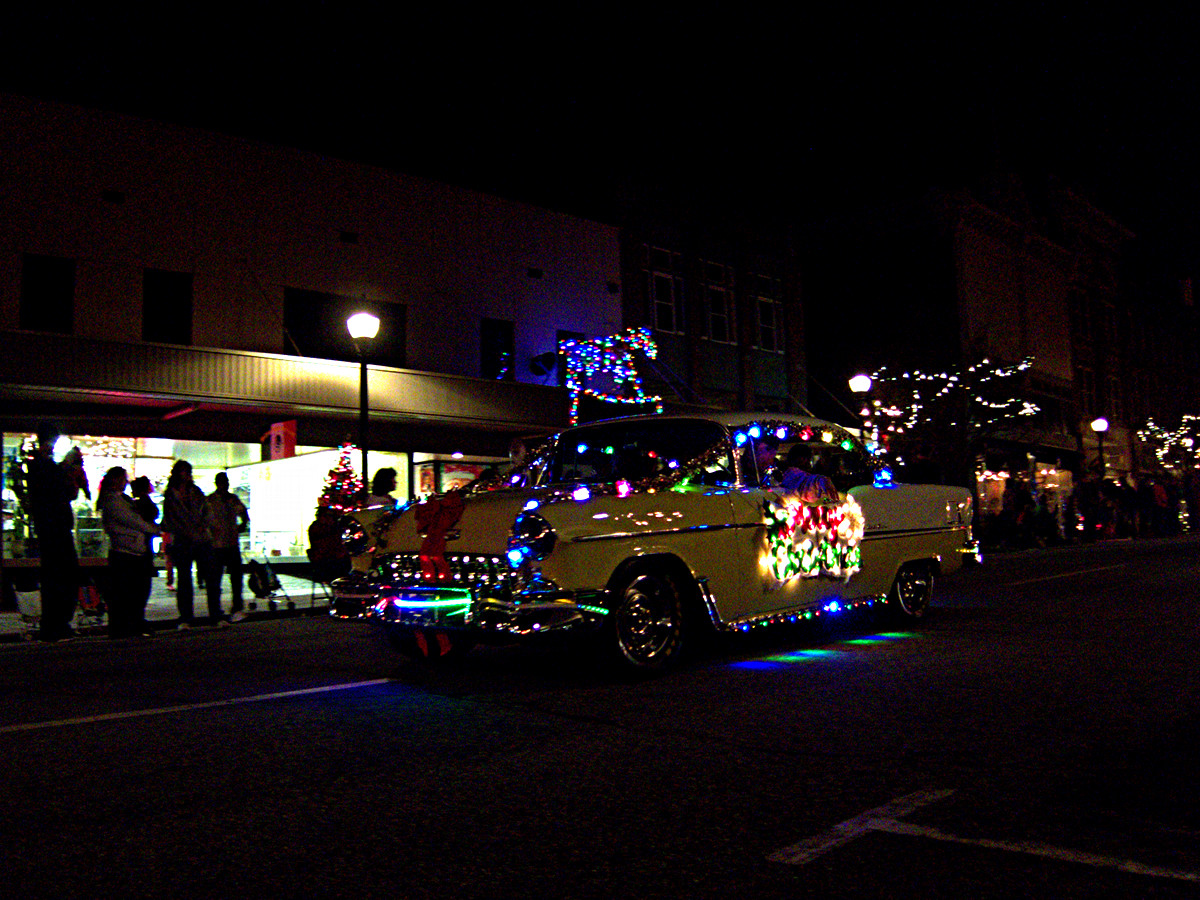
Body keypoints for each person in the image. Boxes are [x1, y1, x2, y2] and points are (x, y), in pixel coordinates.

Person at [25, 424, 80, 642]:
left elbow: (64, 492)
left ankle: (57, 622)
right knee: (59, 575)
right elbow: (51, 485)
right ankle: (55, 623)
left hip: (55, 526)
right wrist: (66, 465)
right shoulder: (39, 465)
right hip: (52, 527)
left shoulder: (45, 466)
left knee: (62, 575)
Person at [96, 467, 160, 638]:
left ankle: (131, 624)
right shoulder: (113, 501)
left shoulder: (123, 500)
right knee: (126, 592)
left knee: (133, 592)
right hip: (125, 552)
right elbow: (133, 521)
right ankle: (124, 626)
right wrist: (154, 529)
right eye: (123, 478)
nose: (126, 482)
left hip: (131, 551)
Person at [162, 459, 211, 629]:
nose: (186, 475)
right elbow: (168, 519)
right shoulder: (171, 494)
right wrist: (183, 530)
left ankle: (214, 614)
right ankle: (185, 617)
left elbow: (207, 512)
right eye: (183, 471)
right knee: (184, 579)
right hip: (183, 540)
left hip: (199, 539)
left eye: (187, 471)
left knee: (208, 576)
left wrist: (201, 527)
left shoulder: (196, 492)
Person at [204, 471, 249, 624]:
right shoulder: (211, 501)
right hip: (217, 544)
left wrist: (242, 523)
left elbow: (243, 512)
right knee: (217, 580)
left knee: (235, 578)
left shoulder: (231, 499)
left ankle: (235, 608)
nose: (226, 485)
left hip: (229, 543)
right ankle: (217, 610)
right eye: (223, 482)